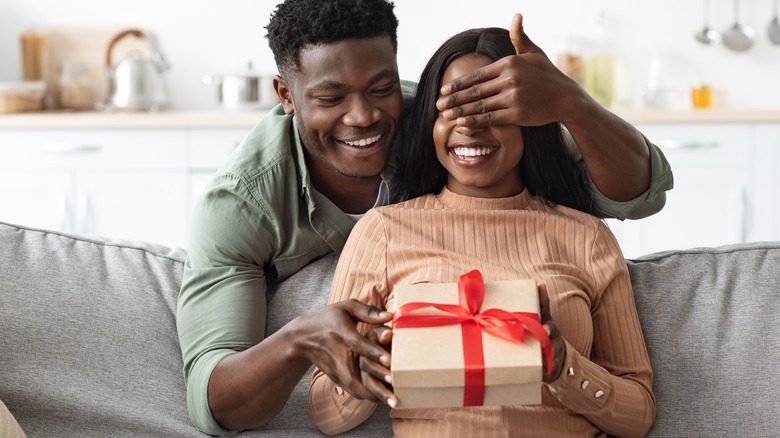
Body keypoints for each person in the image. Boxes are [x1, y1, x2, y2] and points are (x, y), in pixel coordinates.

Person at [177, 0, 670, 435]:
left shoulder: (455, 108)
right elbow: (217, 400)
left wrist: (570, 101)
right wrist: (302, 340)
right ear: (285, 95)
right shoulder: (243, 205)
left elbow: (640, 194)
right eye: (330, 98)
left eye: (381, 88)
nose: (362, 117)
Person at [308, 23, 655, 437]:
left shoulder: (586, 237)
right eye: (450, 111)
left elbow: (639, 414)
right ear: (429, 125)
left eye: (491, 110)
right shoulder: (382, 232)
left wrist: (566, 369)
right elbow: (325, 413)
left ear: (531, 122)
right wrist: (370, 376)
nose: (469, 128)